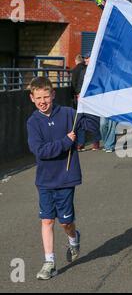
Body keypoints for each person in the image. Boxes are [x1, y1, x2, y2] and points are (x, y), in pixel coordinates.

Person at [27, 76, 99, 280]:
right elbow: (39, 150)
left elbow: (93, 128)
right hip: (45, 181)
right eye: (38, 97)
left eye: (46, 97)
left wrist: (89, 107)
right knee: (47, 220)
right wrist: (66, 142)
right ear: (32, 98)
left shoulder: (68, 114)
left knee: (65, 223)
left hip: (66, 179)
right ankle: (49, 262)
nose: (43, 101)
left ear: (53, 95)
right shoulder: (33, 122)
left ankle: (74, 237)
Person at [76, 51, 101, 151]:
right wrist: (78, 94)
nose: (85, 60)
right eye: (85, 58)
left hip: (93, 99)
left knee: (93, 121)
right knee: (80, 120)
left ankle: (96, 142)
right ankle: (81, 143)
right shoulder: (83, 71)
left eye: (87, 58)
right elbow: (79, 84)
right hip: (82, 100)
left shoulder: (98, 71)